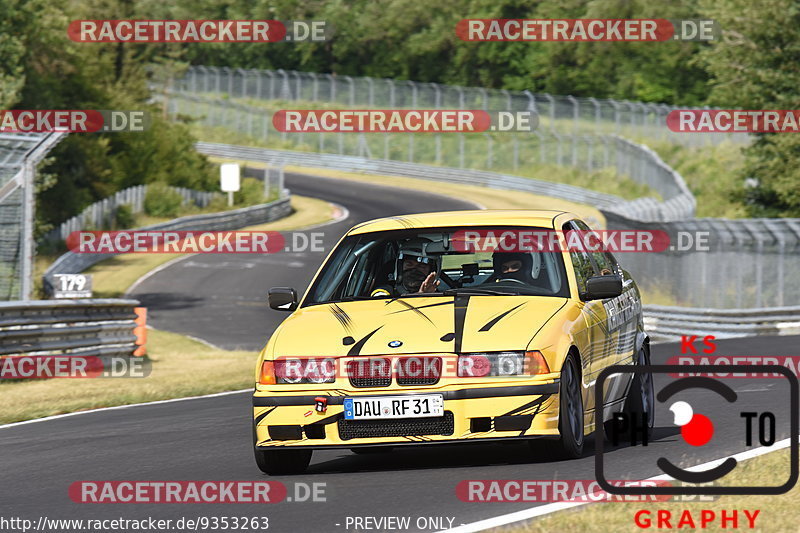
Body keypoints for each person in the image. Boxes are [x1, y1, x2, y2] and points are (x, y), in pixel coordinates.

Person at [370, 238, 440, 297]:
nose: (414, 270)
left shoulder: (442, 298)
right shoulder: (384, 293)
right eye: (409, 264)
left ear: (432, 270)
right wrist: (419, 296)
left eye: (421, 266)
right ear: (399, 267)